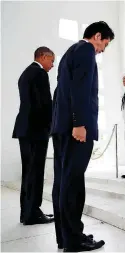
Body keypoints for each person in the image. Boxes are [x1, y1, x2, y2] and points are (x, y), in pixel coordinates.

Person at [51, 21, 114, 252]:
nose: (102, 50)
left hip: (61, 128)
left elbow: (61, 91)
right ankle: (74, 239)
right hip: (76, 129)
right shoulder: (86, 50)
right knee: (73, 183)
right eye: (104, 44)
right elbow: (80, 89)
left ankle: (65, 237)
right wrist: (79, 123)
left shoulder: (70, 52)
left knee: (63, 182)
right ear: (97, 36)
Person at [12, 47, 55, 225]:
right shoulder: (39, 74)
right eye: (51, 61)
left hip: (25, 129)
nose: (52, 65)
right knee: (35, 172)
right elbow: (44, 104)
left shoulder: (25, 73)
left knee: (28, 172)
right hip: (36, 130)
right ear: (43, 57)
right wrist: (53, 126)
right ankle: (33, 213)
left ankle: (27, 212)